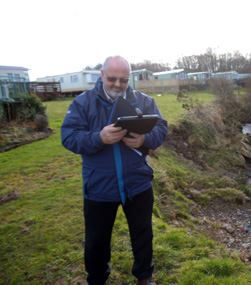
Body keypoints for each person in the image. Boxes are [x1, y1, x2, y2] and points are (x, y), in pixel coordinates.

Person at [61, 55, 167, 285]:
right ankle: (97, 279)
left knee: (142, 234)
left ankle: (144, 276)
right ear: (101, 75)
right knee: (96, 240)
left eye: (123, 79)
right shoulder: (83, 103)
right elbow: (68, 137)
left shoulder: (144, 101)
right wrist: (98, 137)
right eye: (112, 79)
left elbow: (161, 129)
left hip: (137, 183)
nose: (118, 84)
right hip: (99, 185)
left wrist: (145, 139)